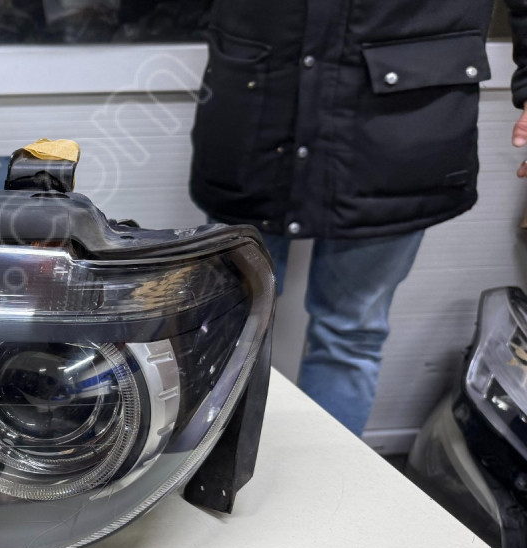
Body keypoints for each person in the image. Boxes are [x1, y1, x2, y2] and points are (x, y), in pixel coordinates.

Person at [190, 0, 527, 436]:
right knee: (228, 321)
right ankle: (210, 467)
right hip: (258, 101)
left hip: (398, 118)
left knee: (350, 333)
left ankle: (326, 474)